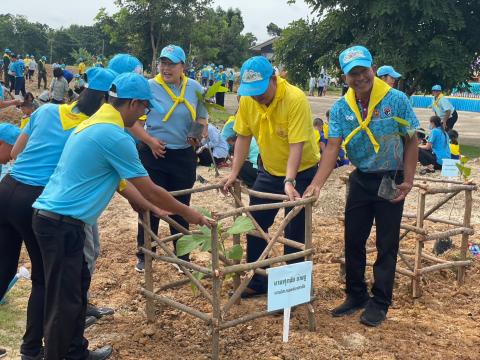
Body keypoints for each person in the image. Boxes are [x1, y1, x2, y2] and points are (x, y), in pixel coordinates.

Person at [31, 72, 210, 360]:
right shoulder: (113, 135)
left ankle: (77, 352)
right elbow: (150, 188)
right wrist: (190, 213)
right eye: (145, 109)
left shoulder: (97, 123)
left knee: (75, 292)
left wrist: (150, 207)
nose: (144, 116)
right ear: (133, 104)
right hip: (61, 224)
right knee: (63, 304)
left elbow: (120, 182)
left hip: (59, 221)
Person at [1, 67, 116, 360]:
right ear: (106, 100)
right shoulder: (92, 129)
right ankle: (29, 351)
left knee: (2, 270)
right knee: (44, 279)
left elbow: (14, 153)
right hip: (38, 199)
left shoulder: (47, 111)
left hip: (8, 189)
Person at [304, 45, 419, 327]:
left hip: (390, 178)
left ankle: (380, 302)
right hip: (362, 177)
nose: (359, 78)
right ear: (345, 77)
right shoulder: (342, 108)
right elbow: (332, 147)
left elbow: (412, 138)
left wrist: (408, 179)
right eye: (352, 73)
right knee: (353, 239)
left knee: (386, 243)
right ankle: (356, 294)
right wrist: (317, 184)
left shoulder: (397, 99)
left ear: (373, 69)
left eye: (363, 71)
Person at [222, 56, 320, 296]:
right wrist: (234, 173)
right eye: (251, 92)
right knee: (256, 224)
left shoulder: (295, 99)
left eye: (261, 91)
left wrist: (289, 181)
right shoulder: (248, 101)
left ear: (274, 79)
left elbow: (296, 144)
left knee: (294, 232)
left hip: (302, 171)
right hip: (269, 169)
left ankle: (294, 292)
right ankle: (259, 281)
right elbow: (243, 137)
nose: (257, 97)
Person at [128, 45, 209, 272]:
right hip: (154, 153)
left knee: (182, 205)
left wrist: (197, 136)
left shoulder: (195, 88)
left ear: (183, 66)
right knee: (150, 204)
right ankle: (145, 253)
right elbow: (132, 121)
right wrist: (150, 141)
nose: (166, 68)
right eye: (163, 63)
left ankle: (183, 255)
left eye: (171, 63)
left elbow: (202, 119)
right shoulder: (149, 87)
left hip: (183, 155)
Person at [221, 115, 259, 188]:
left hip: (259, 168)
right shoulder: (253, 138)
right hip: (264, 168)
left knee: (241, 166)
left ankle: (252, 184)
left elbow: (240, 158)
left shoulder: (245, 141)